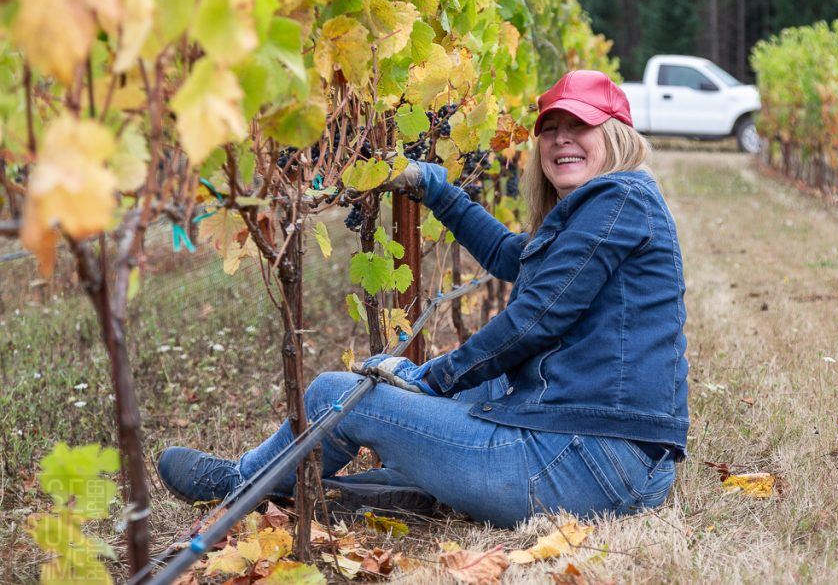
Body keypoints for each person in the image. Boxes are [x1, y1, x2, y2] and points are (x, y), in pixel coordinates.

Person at [158, 70, 690, 527]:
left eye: (580, 126)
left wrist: (430, 377)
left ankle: (236, 484)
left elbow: (537, 319)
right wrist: (435, 189)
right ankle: (390, 485)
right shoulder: (607, 211)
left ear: (617, 135)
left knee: (335, 396)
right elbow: (510, 255)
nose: (560, 140)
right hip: (619, 459)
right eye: (549, 129)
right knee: (456, 394)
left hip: (588, 461)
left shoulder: (618, 197)